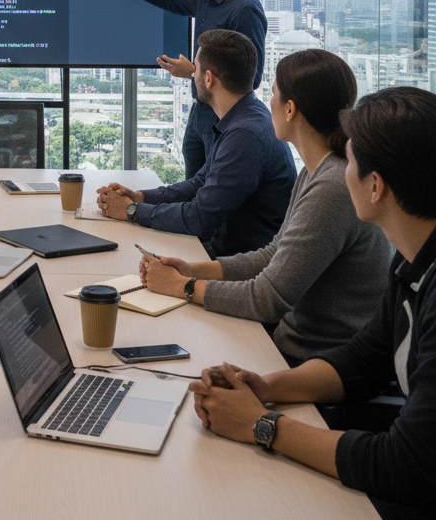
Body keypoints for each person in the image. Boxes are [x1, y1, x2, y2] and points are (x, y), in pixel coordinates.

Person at [189, 86, 436, 520]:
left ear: (375, 186)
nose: (343, 171)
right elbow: (365, 358)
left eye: (351, 161)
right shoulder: (411, 260)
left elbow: (406, 467)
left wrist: (261, 425)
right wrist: (265, 388)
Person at [139, 49, 391, 363]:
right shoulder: (315, 171)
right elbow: (272, 255)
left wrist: (184, 287)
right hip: (294, 345)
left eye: (273, 94)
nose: (267, 102)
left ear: (290, 109)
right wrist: (192, 270)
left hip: (312, 361)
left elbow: (267, 299)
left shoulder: (333, 186)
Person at [96, 29, 295, 257]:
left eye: (196, 69)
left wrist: (132, 211)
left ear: (208, 78)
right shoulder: (244, 116)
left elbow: (200, 218)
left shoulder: (245, 134)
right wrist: (139, 197)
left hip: (237, 262)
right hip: (227, 252)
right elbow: (200, 183)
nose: (193, 76)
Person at [94, 0, 266, 178]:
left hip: (226, 117)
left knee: (214, 184)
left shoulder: (244, 9)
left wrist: (194, 72)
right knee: (194, 182)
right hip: (201, 109)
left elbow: (252, 77)